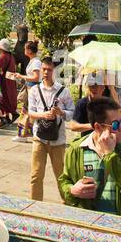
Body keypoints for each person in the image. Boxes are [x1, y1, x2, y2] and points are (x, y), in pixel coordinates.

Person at [59, 97, 121, 217]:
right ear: (98, 127)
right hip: (85, 221)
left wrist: (109, 154)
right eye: (115, 125)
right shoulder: (76, 149)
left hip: (118, 224)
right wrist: (72, 190)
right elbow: (64, 181)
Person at [27, 56, 75, 201]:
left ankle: (67, 203)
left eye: (49, 70)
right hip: (39, 138)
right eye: (44, 69)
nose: (46, 72)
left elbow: (71, 113)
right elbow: (30, 113)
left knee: (61, 176)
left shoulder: (64, 91)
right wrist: (44, 115)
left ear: (55, 71)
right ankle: (34, 207)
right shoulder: (35, 90)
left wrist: (60, 112)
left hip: (58, 140)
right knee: (36, 175)